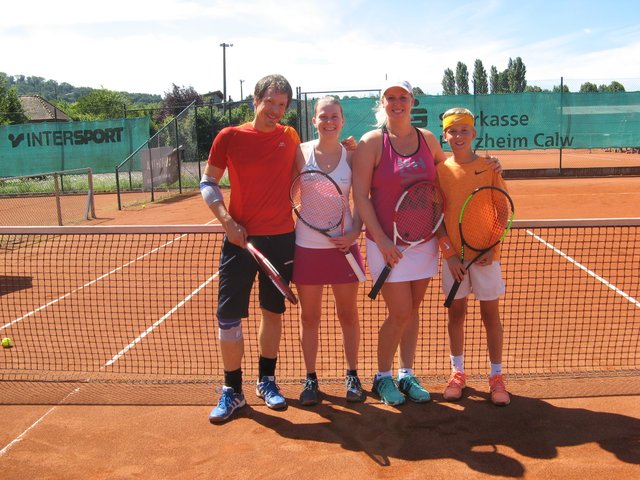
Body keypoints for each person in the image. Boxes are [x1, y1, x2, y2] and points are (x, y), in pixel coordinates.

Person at [352, 81, 501, 406]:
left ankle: (406, 374)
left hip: (423, 242)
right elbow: (360, 196)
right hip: (387, 244)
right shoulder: (372, 142)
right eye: (390, 97)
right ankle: (382, 377)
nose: (397, 103)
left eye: (402, 97)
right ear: (382, 102)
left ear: (412, 101)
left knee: (412, 312)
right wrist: (382, 240)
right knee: (399, 312)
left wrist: (490, 164)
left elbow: (450, 175)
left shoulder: (428, 139)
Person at [202, 74, 300, 423]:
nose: (275, 110)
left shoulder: (290, 136)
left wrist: (347, 149)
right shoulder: (229, 136)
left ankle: (266, 381)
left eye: (282, 105)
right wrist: (227, 222)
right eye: (270, 102)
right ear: (256, 100)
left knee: (272, 313)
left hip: (282, 239)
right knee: (228, 317)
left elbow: (310, 169)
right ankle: (232, 390)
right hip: (238, 241)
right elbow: (208, 182)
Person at [292, 96, 367, 406]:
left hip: (343, 248)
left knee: (347, 314)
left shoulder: (353, 155)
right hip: (307, 248)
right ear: (314, 121)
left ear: (342, 120)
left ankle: (352, 375)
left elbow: (361, 200)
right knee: (309, 317)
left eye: (334, 116)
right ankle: (311, 378)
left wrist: (354, 232)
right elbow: (287, 190)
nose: (329, 121)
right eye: (323, 116)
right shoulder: (300, 152)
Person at [437, 107, 511, 406]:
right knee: (456, 315)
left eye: (464, 130)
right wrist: (450, 255)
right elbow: (436, 218)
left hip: (486, 258)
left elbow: (503, 209)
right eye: (452, 131)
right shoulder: (440, 171)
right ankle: (457, 373)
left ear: (474, 134)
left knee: (490, 316)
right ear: (445, 135)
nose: (458, 136)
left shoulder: (489, 167)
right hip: (453, 260)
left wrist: (491, 247)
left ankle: (496, 376)